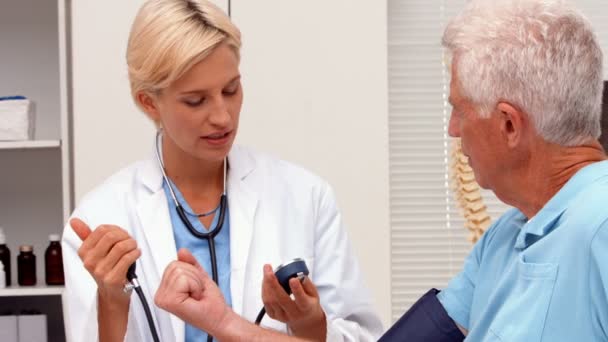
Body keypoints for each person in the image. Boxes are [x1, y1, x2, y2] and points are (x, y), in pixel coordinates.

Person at [156, 0, 608, 341]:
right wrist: (221, 322)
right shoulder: (505, 240)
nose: (452, 130)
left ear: (509, 124)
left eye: (459, 110)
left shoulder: (600, 225)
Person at [61, 0, 383, 341]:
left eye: (231, 90)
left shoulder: (305, 196)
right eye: (195, 100)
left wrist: (310, 323)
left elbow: (361, 336)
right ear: (148, 102)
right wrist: (112, 300)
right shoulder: (101, 218)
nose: (223, 117)